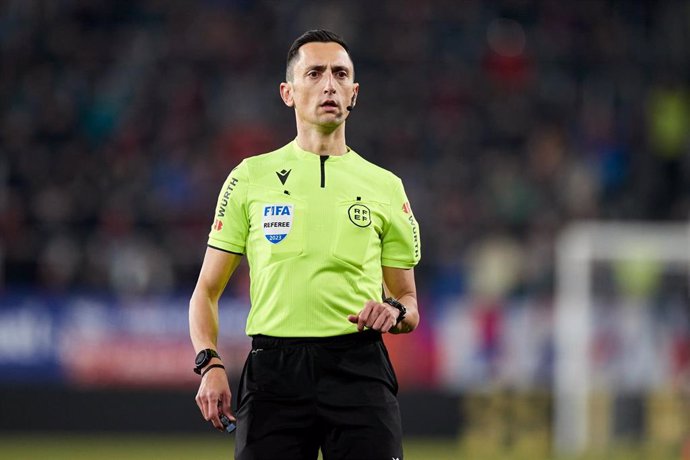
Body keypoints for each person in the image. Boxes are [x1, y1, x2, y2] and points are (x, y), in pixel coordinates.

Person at [189, 29, 421, 460]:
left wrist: (394, 311)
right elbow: (206, 291)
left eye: (340, 74)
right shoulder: (248, 178)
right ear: (288, 92)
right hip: (274, 373)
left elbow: (408, 303)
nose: (329, 84)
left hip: (359, 368)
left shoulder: (386, 187)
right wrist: (210, 363)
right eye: (314, 73)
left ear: (354, 93)